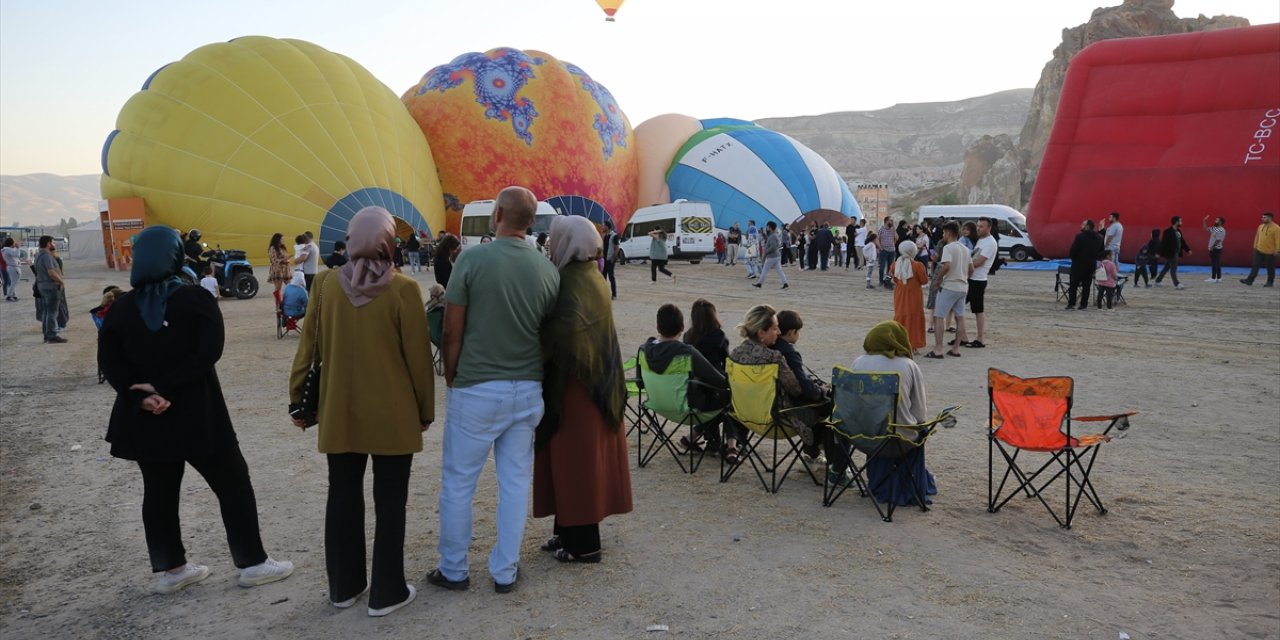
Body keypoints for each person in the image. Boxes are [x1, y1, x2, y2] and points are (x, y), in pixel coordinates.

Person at [101, 226, 293, 596]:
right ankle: (253, 563)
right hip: (197, 414)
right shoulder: (195, 300)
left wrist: (141, 395)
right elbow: (208, 353)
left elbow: (110, 362)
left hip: (145, 418)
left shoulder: (120, 309)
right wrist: (167, 386)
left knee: (158, 491)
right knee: (233, 483)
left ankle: (173, 569)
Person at [289, 207, 433, 616]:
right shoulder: (404, 290)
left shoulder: (328, 284)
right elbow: (419, 361)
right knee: (390, 503)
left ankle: (343, 586)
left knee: (341, 495)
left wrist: (297, 397)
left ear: (352, 240)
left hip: (340, 409)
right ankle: (387, 592)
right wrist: (425, 409)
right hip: (394, 413)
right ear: (388, 240)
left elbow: (308, 348)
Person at [431, 186, 560, 595]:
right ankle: (505, 570)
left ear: (498, 213)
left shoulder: (471, 259)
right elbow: (548, 334)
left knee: (459, 482)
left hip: (477, 388)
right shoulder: (546, 270)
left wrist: (452, 376)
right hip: (526, 390)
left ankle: (454, 569)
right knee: (515, 481)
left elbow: (452, 330)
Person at [532, 215, 632, 567]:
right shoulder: (589, 276)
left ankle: (584, 545)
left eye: (554, 239)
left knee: (577, 463)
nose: (549, 246)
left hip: (578, 387)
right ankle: (566, 531)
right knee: (567, 461)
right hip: (587, 383)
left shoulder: (572, 281)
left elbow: (565, 333)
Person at [838, 321, 935, 506]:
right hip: (898, 439)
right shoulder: (908, 365)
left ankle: (880, 481)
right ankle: (909, 484)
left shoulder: (858, 362)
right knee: (920, 429)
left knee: (877, 422)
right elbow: (920, 413)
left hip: (860, 436)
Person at [727, 305, 803, 465]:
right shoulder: (774, 358)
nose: (779, 332)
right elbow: (796, 390)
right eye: (775, 328)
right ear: (761, 332)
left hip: (743, 417)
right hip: (774, 422)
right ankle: (816, 457)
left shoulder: (734, 355)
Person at [773, 310, 832, 467]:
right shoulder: (789, 353)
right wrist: (821, 390)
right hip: (789, 409)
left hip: (768, 406)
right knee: (830, 407)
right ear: (792, 332)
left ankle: (812, 453)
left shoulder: (769, 348)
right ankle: (817, 453)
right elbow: (806, 388)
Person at [925, 222, 972, 359]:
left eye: (944, 233)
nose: (943, 235)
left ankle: (938, 349)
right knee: (960, 317)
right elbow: (971, 269)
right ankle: (955, 348)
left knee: (939, 316)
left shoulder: (948, 248)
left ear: (949, 233)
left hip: (950, 285)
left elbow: (946, 266)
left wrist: (938, 280)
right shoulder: (965, 249)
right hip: (963, 286)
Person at [966, 217, 998, 348]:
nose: (978, 228)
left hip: (978, 280)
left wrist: (962, 267)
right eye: (977, 226)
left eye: (981, 226)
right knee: (959, 307)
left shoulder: (990, 243)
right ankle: (962, 337)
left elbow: (979, 262)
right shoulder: (981, 240)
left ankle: (980, 339)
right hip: (971, 278)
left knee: (978, 310)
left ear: (989, 228)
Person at [892, 241, 929, 352]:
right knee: (914, 318)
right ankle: (912, 345)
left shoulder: (895, 264)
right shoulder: (918, 266)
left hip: (899, 295)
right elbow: (924, 280)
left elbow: (894, 279)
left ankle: (898, 343)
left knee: (900, 316)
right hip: (914, 296)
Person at [33, 235, 67, 343]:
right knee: (52, 312)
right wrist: (61, 281)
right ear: (48, 244)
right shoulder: (47, 256)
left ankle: (47, 335)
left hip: (42, 286)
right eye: (53, 242)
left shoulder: (38, 255)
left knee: (46, 312)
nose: (54, 244)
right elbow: (51, 272)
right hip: (51, 287)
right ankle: (52, 335)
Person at [1065, 220, 1103, 310]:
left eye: (1083, 224)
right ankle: (1083, 304)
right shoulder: (1099, 238)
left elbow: (1073, 250)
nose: (1081, 225)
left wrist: (1073, 257)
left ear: (1087, 227)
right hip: (1090, 265)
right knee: (1086, 286)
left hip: (1078, 264)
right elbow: (1101, 251)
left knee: (1073, 285)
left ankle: (1071, 303)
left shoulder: (1080, 237)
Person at [1240, 212, 1279, 287]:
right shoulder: (1260, 226)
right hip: (1258, 250)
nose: (1262, 219)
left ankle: (1270, 282)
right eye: (1262, 217)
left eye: (1264, 217)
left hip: (1270, 252)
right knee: (1255, 265)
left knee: (1270, 268)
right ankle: (1249, 280)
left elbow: (1278, 240)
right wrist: (1255, 246)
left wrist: (1277, 250)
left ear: (1270, 218)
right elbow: (1257, 236)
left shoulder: (1276, 228)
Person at [1154, 216, 1190, 289]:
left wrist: (1188, 250)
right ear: (1176, 222)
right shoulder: (1167, 232)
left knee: (1167, 267)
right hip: (1170, 253)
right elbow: (1163, 243)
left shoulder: (1178, 231)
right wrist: (1158, 253)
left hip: (1176, 253)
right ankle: (1177, 284)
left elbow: (1182, 241)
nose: (1181, 223)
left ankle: (1158, 280)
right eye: (1180, 221)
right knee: (1173, 268)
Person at [752, 221, 789, 290]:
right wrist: (763, 234)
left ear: (770, 227)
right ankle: (785, 283)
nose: (766, 228)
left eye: (767, 227)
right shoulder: (773, 235)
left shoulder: (773, 236)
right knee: (779, 271)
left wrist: (766, 251)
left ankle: (759, 284)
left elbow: (773, 247)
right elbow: (768, 239)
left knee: (764, 270)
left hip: (772, 257)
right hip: (776, 256)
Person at [1200, 215, 1226, 282]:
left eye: (1216, 220)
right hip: (1215, 248)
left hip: (1216, 249)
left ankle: (1213, 278)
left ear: (1220, 222)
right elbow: (1206, 228)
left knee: (1215, 263)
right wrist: (1204, 221)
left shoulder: (1221, 230)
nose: (1215, 221)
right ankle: (1219, 278)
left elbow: (1218, 240)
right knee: (1217, 263)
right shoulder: (1215, 228)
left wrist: (1212, 247)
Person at [267, 233, 291, 299]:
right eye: (281, 239)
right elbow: (274, 260)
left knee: (290, 286)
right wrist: (283, 260)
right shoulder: (273, 248)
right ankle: (278, 307)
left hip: (286, 270)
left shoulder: (283, 248)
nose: (283, 241)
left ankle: (287, 302)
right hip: (278, 270)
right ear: (277, 240)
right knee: (278, 290)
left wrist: (287, 260)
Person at [601, 220, 619, 300]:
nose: (602, 227)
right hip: (604, 260)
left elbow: (617, 248)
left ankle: (614, 294)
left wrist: (613, 258)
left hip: (610, 260)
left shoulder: (614, 236)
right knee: (603, 277)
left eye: (603, 226)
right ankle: (604, 294)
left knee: (611, 277)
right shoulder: (606, 236)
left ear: (607, 227)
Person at [878, 218, 897, 287]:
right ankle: (881, 281)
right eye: (890, 221)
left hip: (892, 251)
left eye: (892, 221)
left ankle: (887, 281)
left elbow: (897, 238)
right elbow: (878, 239)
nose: (891, 222)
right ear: (886, 221)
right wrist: (880, 248)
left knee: (890, 268)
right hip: (884, 251)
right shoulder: (881, 229)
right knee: (882, 267)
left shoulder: (893, 229)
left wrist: (894, 228)